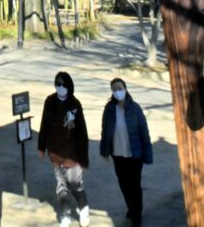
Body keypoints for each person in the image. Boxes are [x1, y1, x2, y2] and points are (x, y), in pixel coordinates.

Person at [38, 71, 90, 227]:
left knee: (75, 184)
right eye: (57, 84)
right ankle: (65, 214)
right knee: (61, 186)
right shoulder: (50, 101)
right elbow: (44, 125)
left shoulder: (75, 104)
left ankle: (84, 209)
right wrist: (41, 147)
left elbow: (82, 131)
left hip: (73, 154)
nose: (60, 87)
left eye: (63, 84)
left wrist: (84, 157)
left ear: (69, 86)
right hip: (55, 152)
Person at [99, 77, 153, 226]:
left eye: (120, 88)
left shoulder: (135, 109)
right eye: (114, 89)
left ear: (125, 88)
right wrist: (104, 149)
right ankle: (132, 208)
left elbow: (144, 132)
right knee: (124, 185)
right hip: (118, 155)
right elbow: (105, 130)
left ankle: (137, 215)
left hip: (135, 156)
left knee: (134, 187)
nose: (118, 91)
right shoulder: (109, 109)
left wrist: (147, 154)